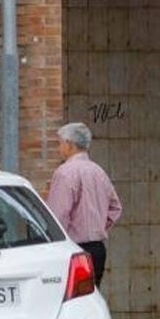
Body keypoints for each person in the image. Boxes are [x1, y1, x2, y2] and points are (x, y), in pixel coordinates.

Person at [46, 122, 122, 288]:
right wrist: (97, 227)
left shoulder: (65, 172)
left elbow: (58, 215)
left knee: (71, 299)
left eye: (60, 143)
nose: (59, 148)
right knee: (92, 297)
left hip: (73, 250)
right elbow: (116, 208)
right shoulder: (98, 171)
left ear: (70, 145)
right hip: (98, 249)